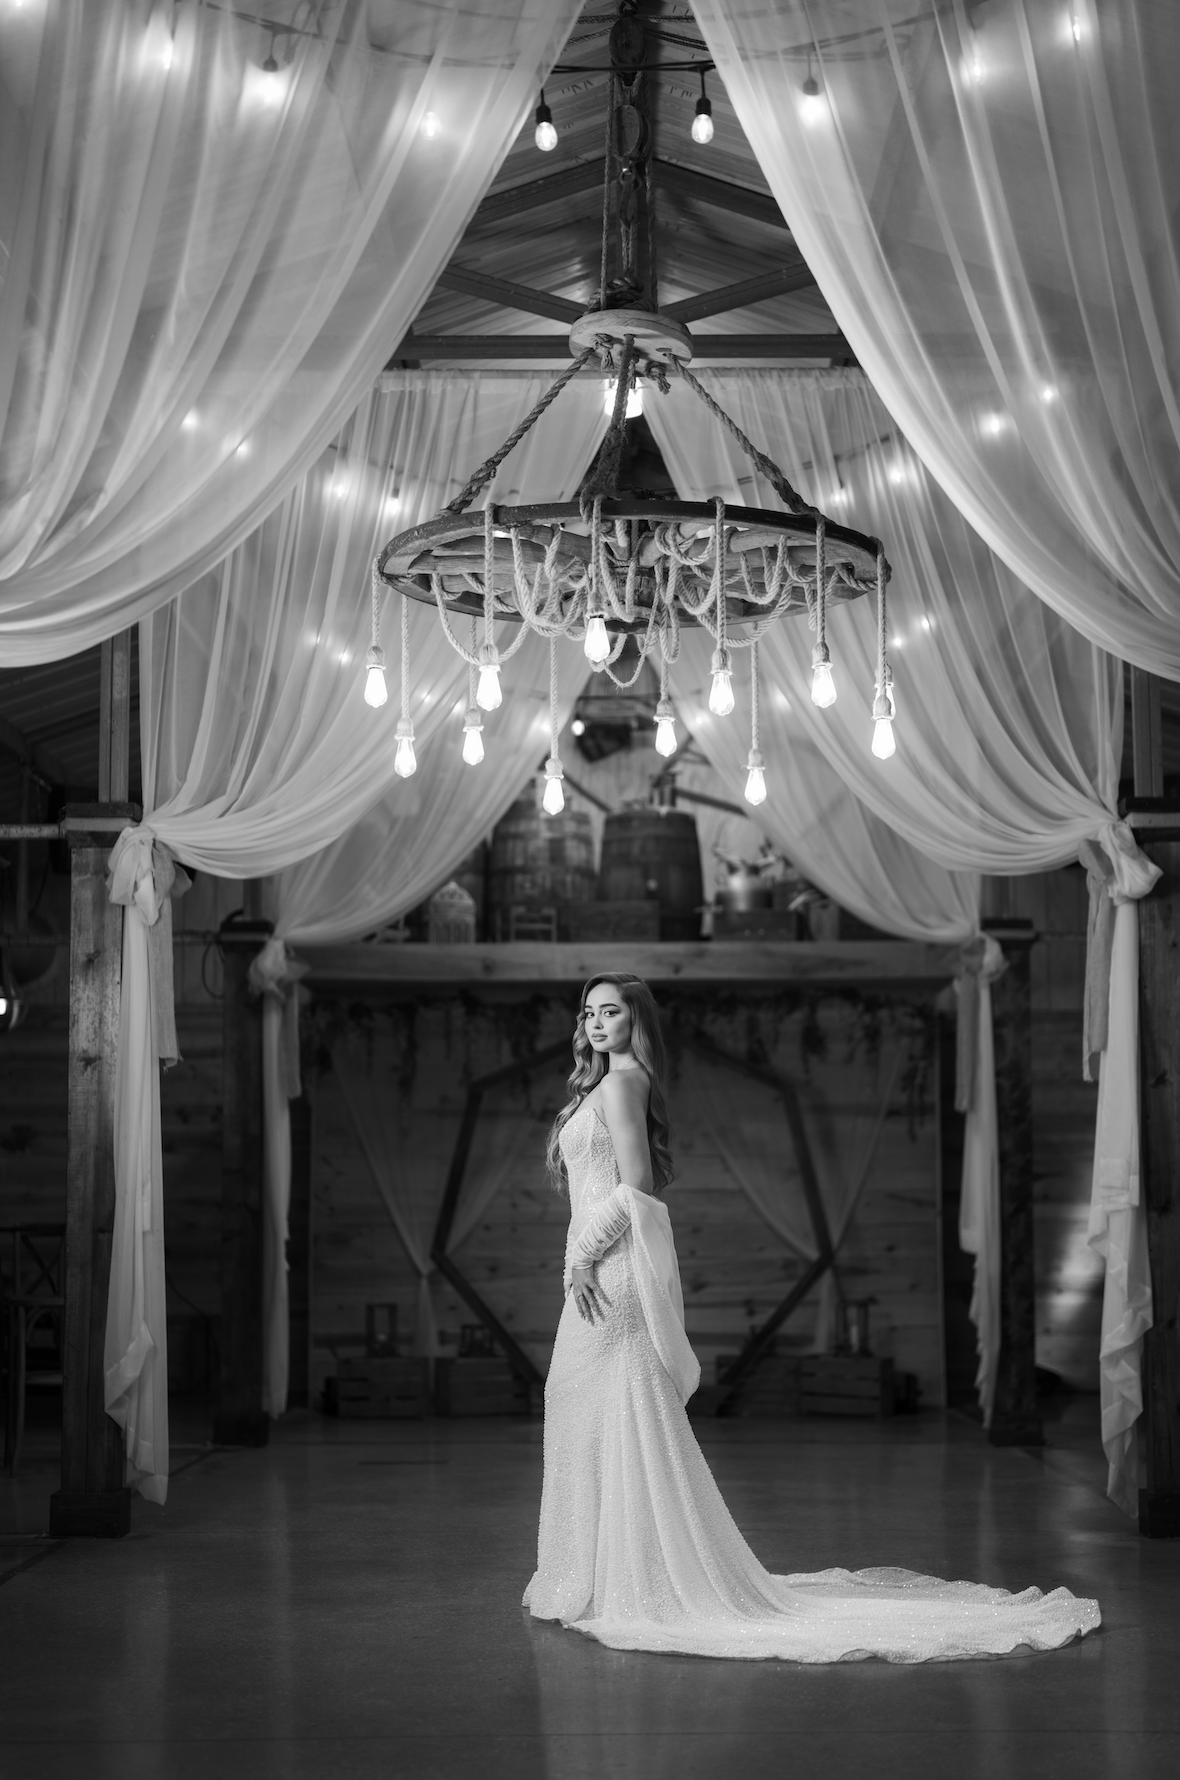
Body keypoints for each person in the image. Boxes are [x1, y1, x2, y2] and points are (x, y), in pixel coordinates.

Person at [522, 971, 1100, 1663]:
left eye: (609, 1011)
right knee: (584, 1409)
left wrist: (584, 1257)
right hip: (588, 1272)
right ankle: (593, 1572)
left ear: (635, 1022)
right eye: (587, 1011)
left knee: (605, 1411)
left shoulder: (623, 1083)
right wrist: (574, 1264)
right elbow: (593, 1192)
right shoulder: (603, 1085)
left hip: (605, 1272)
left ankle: (613, 1577)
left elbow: (637, 1189)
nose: (594, 1021)